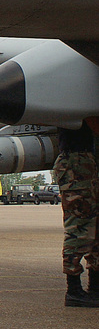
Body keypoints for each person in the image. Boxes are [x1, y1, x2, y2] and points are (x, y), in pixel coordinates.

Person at [52, 123, 99, 306]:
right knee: (78, 225)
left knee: (94, 229)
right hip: (75, 162)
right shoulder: (71, 105)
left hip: (86, 159)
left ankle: (95, 288)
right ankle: (73, 290)